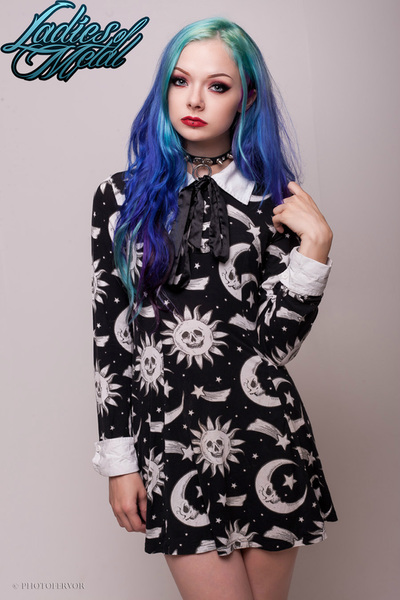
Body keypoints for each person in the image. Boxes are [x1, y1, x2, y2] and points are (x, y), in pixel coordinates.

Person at [91, 17, 337, 600]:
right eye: (180, 81)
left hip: (265, 435)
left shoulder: (274, 201)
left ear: (245, 99)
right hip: (169, 438)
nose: (195, 100)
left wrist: (316, 248)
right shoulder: (119, 196)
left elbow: (276, 345)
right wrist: (120, 461)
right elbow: (112, 335)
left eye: (217, 85)